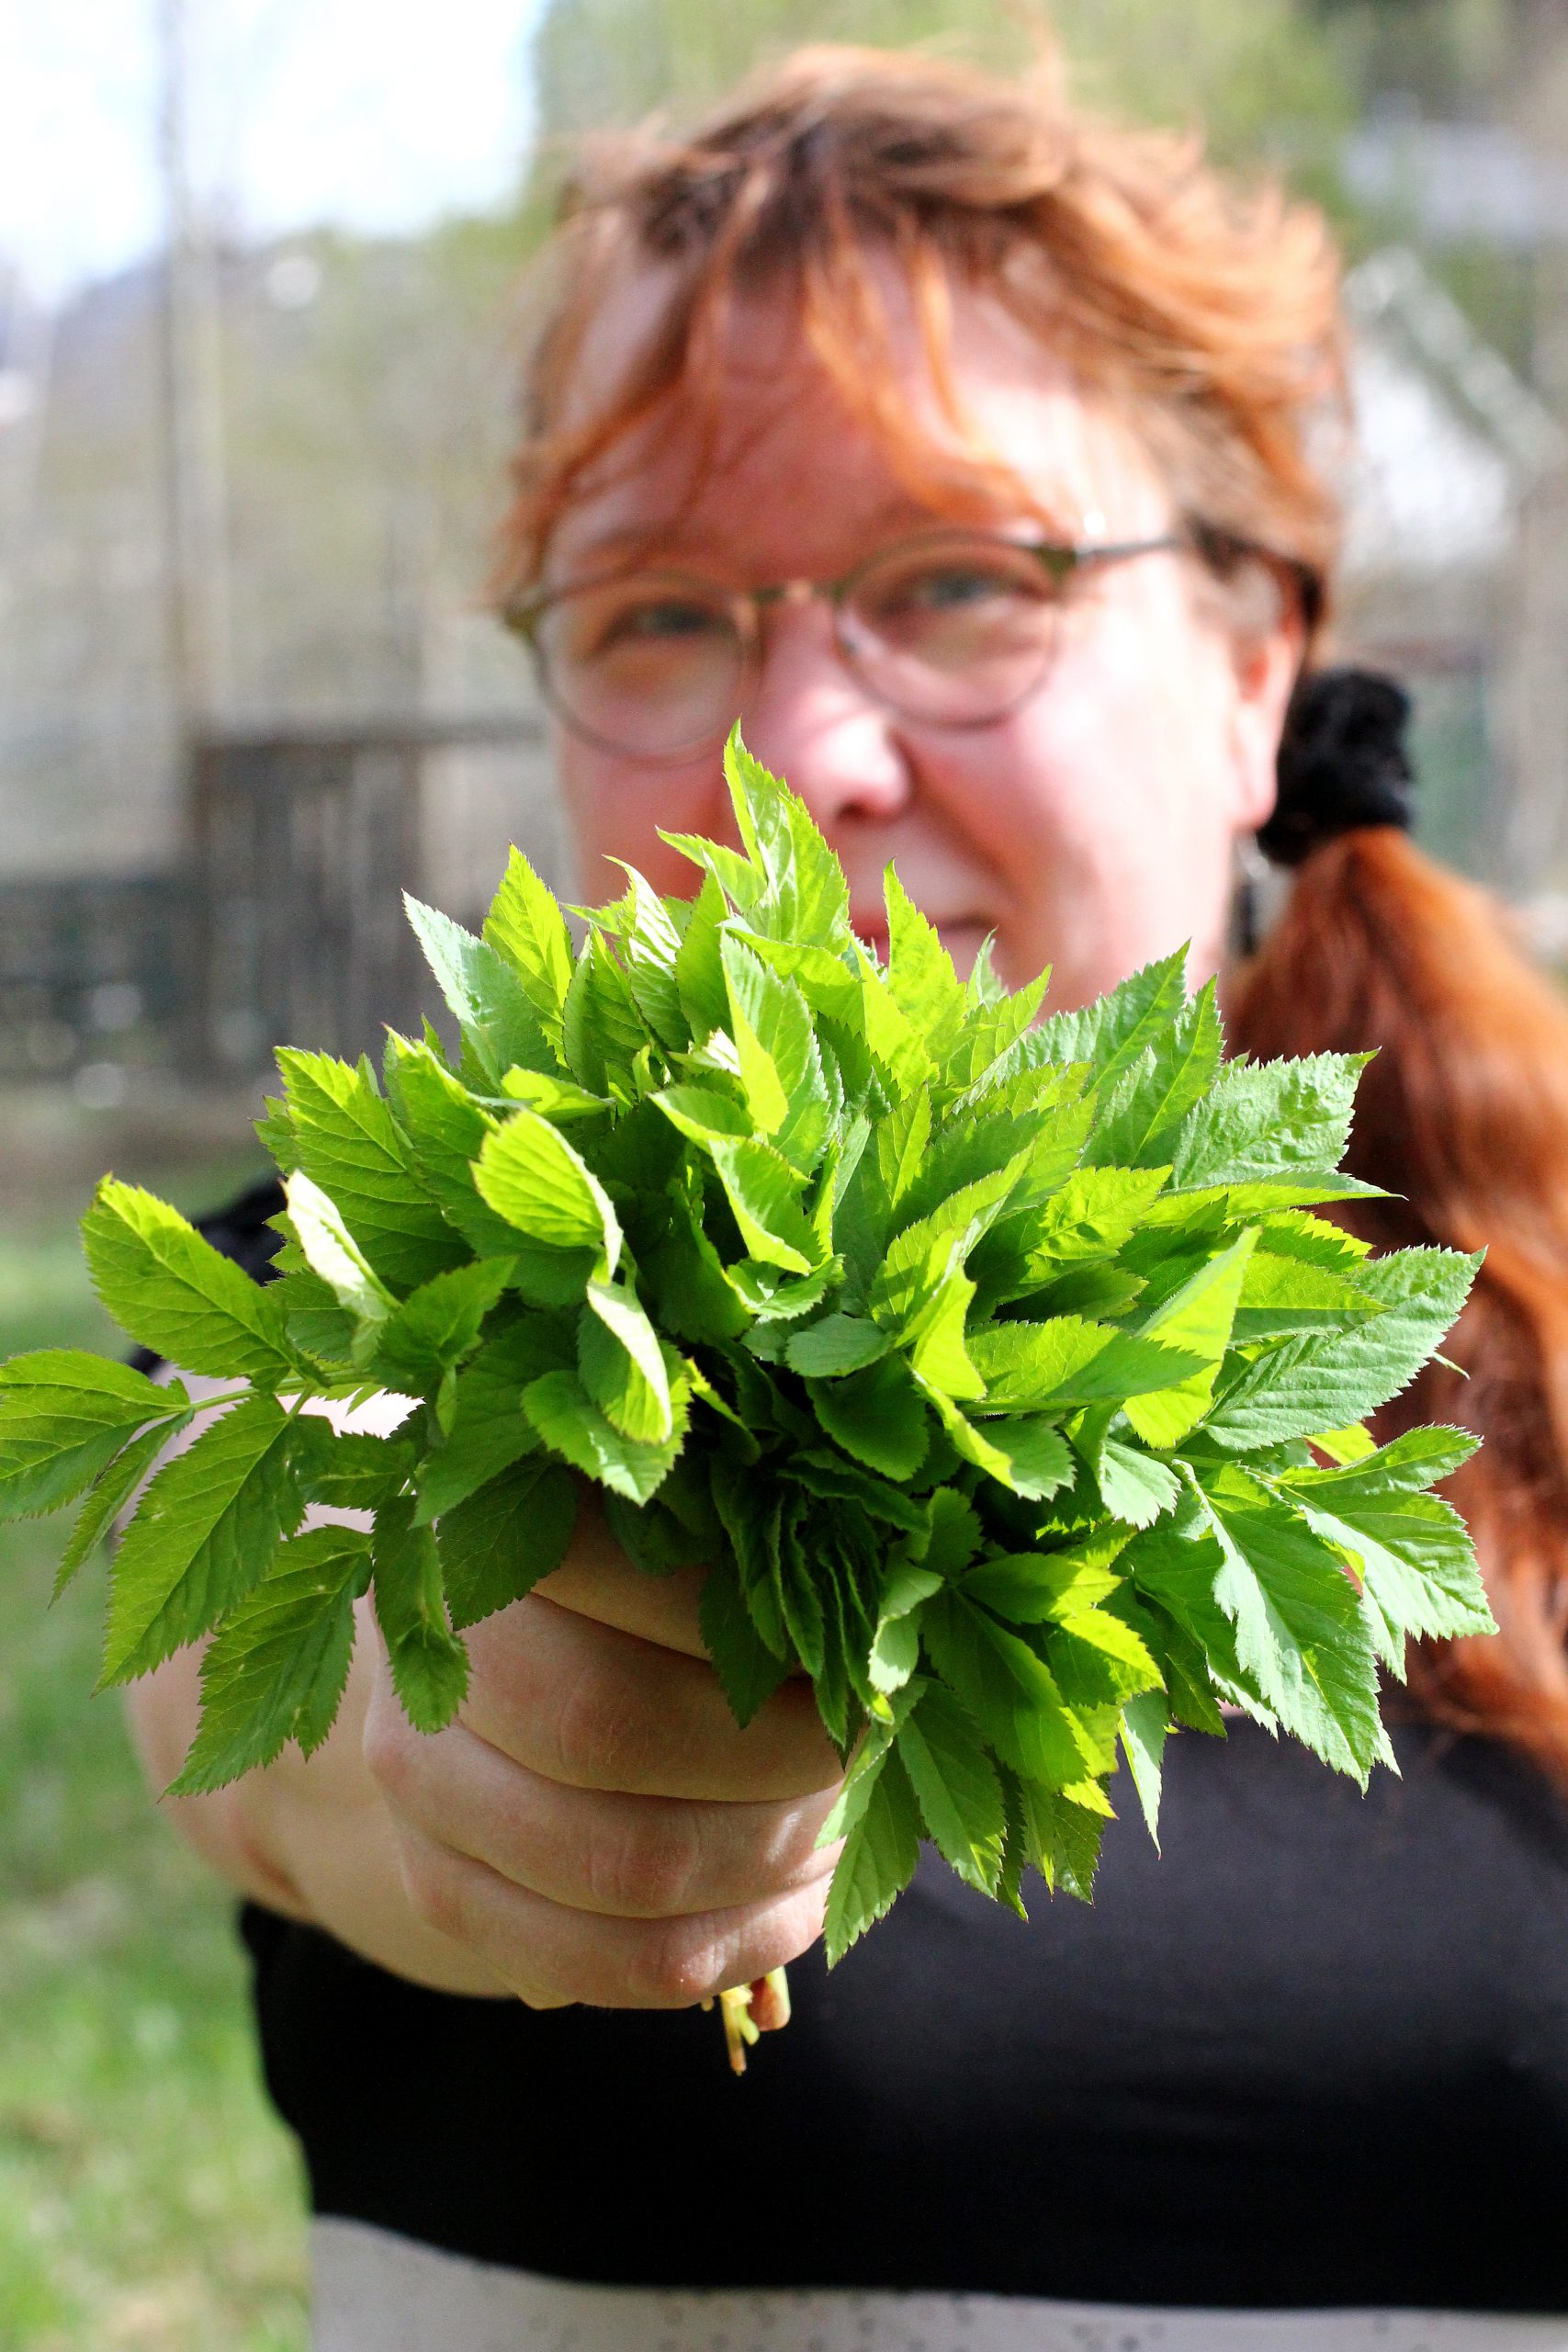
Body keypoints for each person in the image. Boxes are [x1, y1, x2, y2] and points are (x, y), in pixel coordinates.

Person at [127, 41, 1568, 2352]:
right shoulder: (390, 1299)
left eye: (958, 581)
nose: (800, 751)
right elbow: (261, 1616)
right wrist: (456, 1720)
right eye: (655, 613)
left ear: (1250, 660)